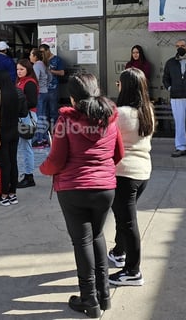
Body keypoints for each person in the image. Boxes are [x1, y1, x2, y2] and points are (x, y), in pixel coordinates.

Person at [39, 73, 123, 317]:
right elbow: (118, 154)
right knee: (97, 236)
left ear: (73, 98)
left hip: (74, 188)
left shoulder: (66, 121)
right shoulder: (111, 118)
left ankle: (89, 300)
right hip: (105, 187)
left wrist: (43, 169)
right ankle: (103, 296)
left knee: (82, 242)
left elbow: (55, 161)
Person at [107, 67, 156, 287]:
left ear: (124, 86)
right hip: (143, 171)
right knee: (123, 216)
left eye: (119, 83)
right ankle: (119, 252)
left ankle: (133, 271)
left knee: (127, 221)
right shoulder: (148, 110)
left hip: (124, 173)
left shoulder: (121, 113)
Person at [0, 69, 25, 206]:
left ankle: (4, 195)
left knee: (4, 163)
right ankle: (13, 194)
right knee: (13, 161)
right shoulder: (18, 92)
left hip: (1, 132)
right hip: (14, 130)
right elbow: (24, 113)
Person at [15, 59, 38, 189]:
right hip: (22, 117)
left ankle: (29, 176)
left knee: (26, 147)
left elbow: (33, 102)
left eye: (22, 69)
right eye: (17, 69)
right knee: (23, 147)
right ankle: (27, 175)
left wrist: (17, 106)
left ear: (28, 70)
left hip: (27, 117)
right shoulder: (20, 81)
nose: (19, 71)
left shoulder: (29, 83)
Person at [38, 43, 66, 141]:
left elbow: (62, 72)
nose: (42, 54)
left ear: (48, 50)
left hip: (53, 89)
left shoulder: (57, 60)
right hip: (43, 89)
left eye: (43, 51)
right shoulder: (41, 61)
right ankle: (45, 134)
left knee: (53, 112)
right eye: (40, 52)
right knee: (43, 112)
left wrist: (51, 71)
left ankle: (55, 132)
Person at [29, 47, 50, 147]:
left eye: (31, 55)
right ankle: (45, 138)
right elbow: (50, 77)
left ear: (35, 56)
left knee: (38, 117)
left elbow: (35, 79)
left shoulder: (36, 66)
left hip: (40, 93)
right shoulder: (44, 64)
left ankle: (39, 139)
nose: (29, 56)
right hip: (45, 91)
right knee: (43, 115)